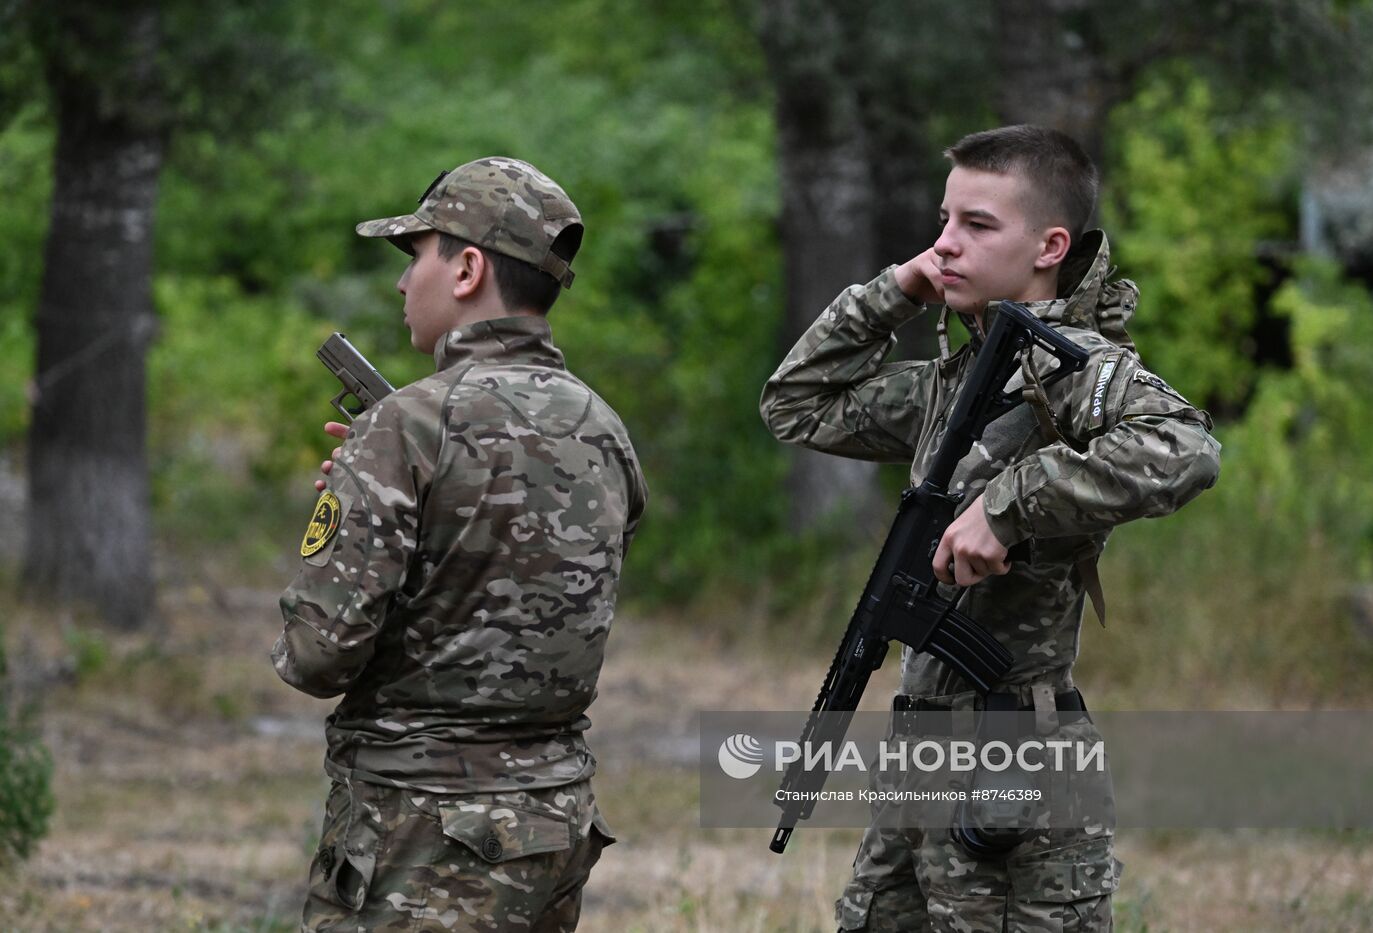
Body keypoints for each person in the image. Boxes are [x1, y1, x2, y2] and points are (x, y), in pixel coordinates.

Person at [760, 125, 1220, 931]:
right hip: (924, 747)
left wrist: (1007, 506)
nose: (946, 245)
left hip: (1015, 748)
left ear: (1050, 246)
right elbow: (796, 406)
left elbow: (1184, 447)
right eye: (943, 222)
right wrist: (897, 289)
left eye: (976, 226)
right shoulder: (958, 382)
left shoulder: (1077, 368)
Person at [273, 157, 647, 932]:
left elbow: (317, 655)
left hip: (420, 833)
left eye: (417, 256)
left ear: (468, 267)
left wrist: (355, 502)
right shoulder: (604, 429)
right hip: (555, 822)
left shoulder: (408, 427)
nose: (403, 284)